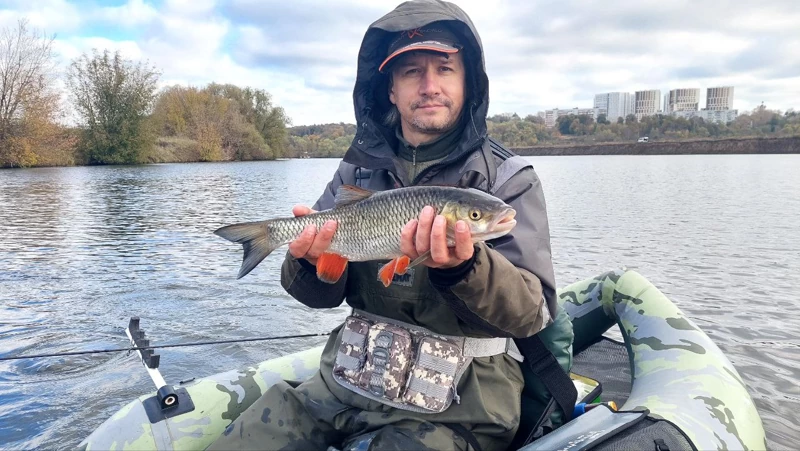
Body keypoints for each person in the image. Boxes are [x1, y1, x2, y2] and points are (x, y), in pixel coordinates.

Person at [208, 1, 575, 449]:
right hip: (346, 382)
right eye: (410, 72)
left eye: (444, 68)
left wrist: (465, 269)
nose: (429, 85)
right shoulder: (355, 172)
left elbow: (533, 314)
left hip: (463, 403)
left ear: (468, 82)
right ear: (390, 91)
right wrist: (307, 261)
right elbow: (320, 297)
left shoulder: (506, 182)